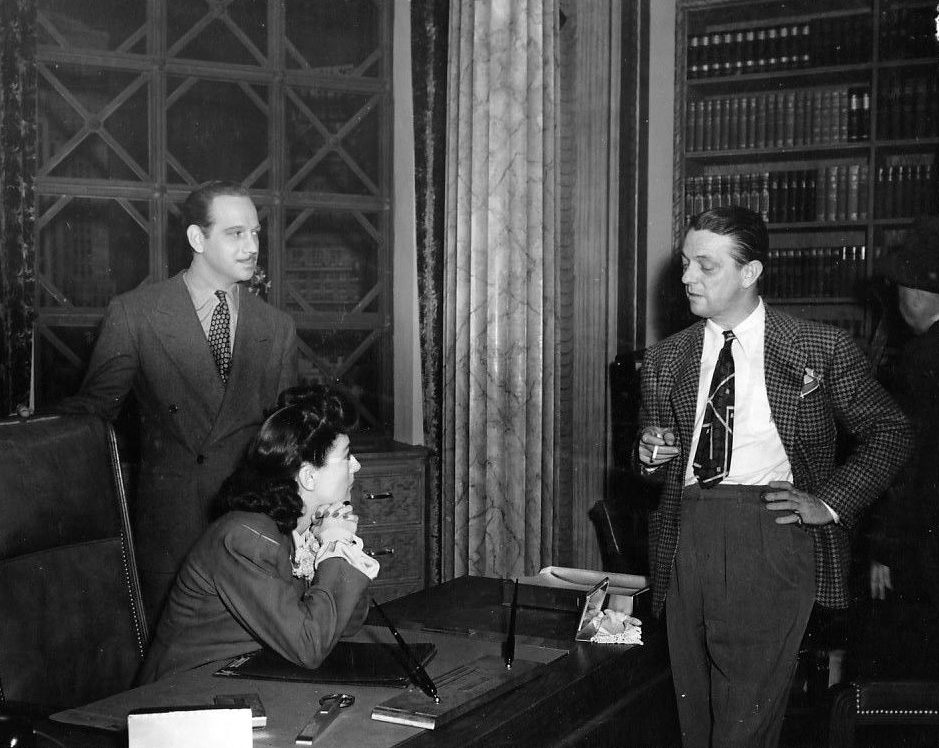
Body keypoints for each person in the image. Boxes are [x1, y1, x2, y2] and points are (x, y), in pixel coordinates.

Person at [634, 206, 911, 748]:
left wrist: (828, 501)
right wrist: (649, 455)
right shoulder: (666, 358)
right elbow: (654, 470)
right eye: (687, 263)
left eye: (706, 266)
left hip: (768, 537)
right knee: (696, 726)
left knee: (742, 730)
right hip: (683, 543)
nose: (687, 277)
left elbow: (891, 430)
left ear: (750, 272)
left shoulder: (817, 348)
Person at [56, 180, 298, 627]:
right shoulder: (137, 313)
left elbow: (288, 441)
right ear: (196, 239)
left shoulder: (277, 326)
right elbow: (93, 416)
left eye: (256, 233)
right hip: (172, 534)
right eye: (235, 233)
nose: (251, 246)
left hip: (251, 536)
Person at [138, 385, 378, 683]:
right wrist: (337, 545)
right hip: (185, 696)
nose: (356, 465)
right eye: (346, 456)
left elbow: (347, 624)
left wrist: (329, 544)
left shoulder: (296, 528)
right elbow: (310, 645)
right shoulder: (245, 538)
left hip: (248, 680)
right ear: (308, 476)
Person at [855, 216, 939, 680]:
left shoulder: (922, 358)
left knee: (898, 672)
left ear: (919, 292)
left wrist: (883, 546)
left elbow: (905, 459)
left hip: (920, 550)